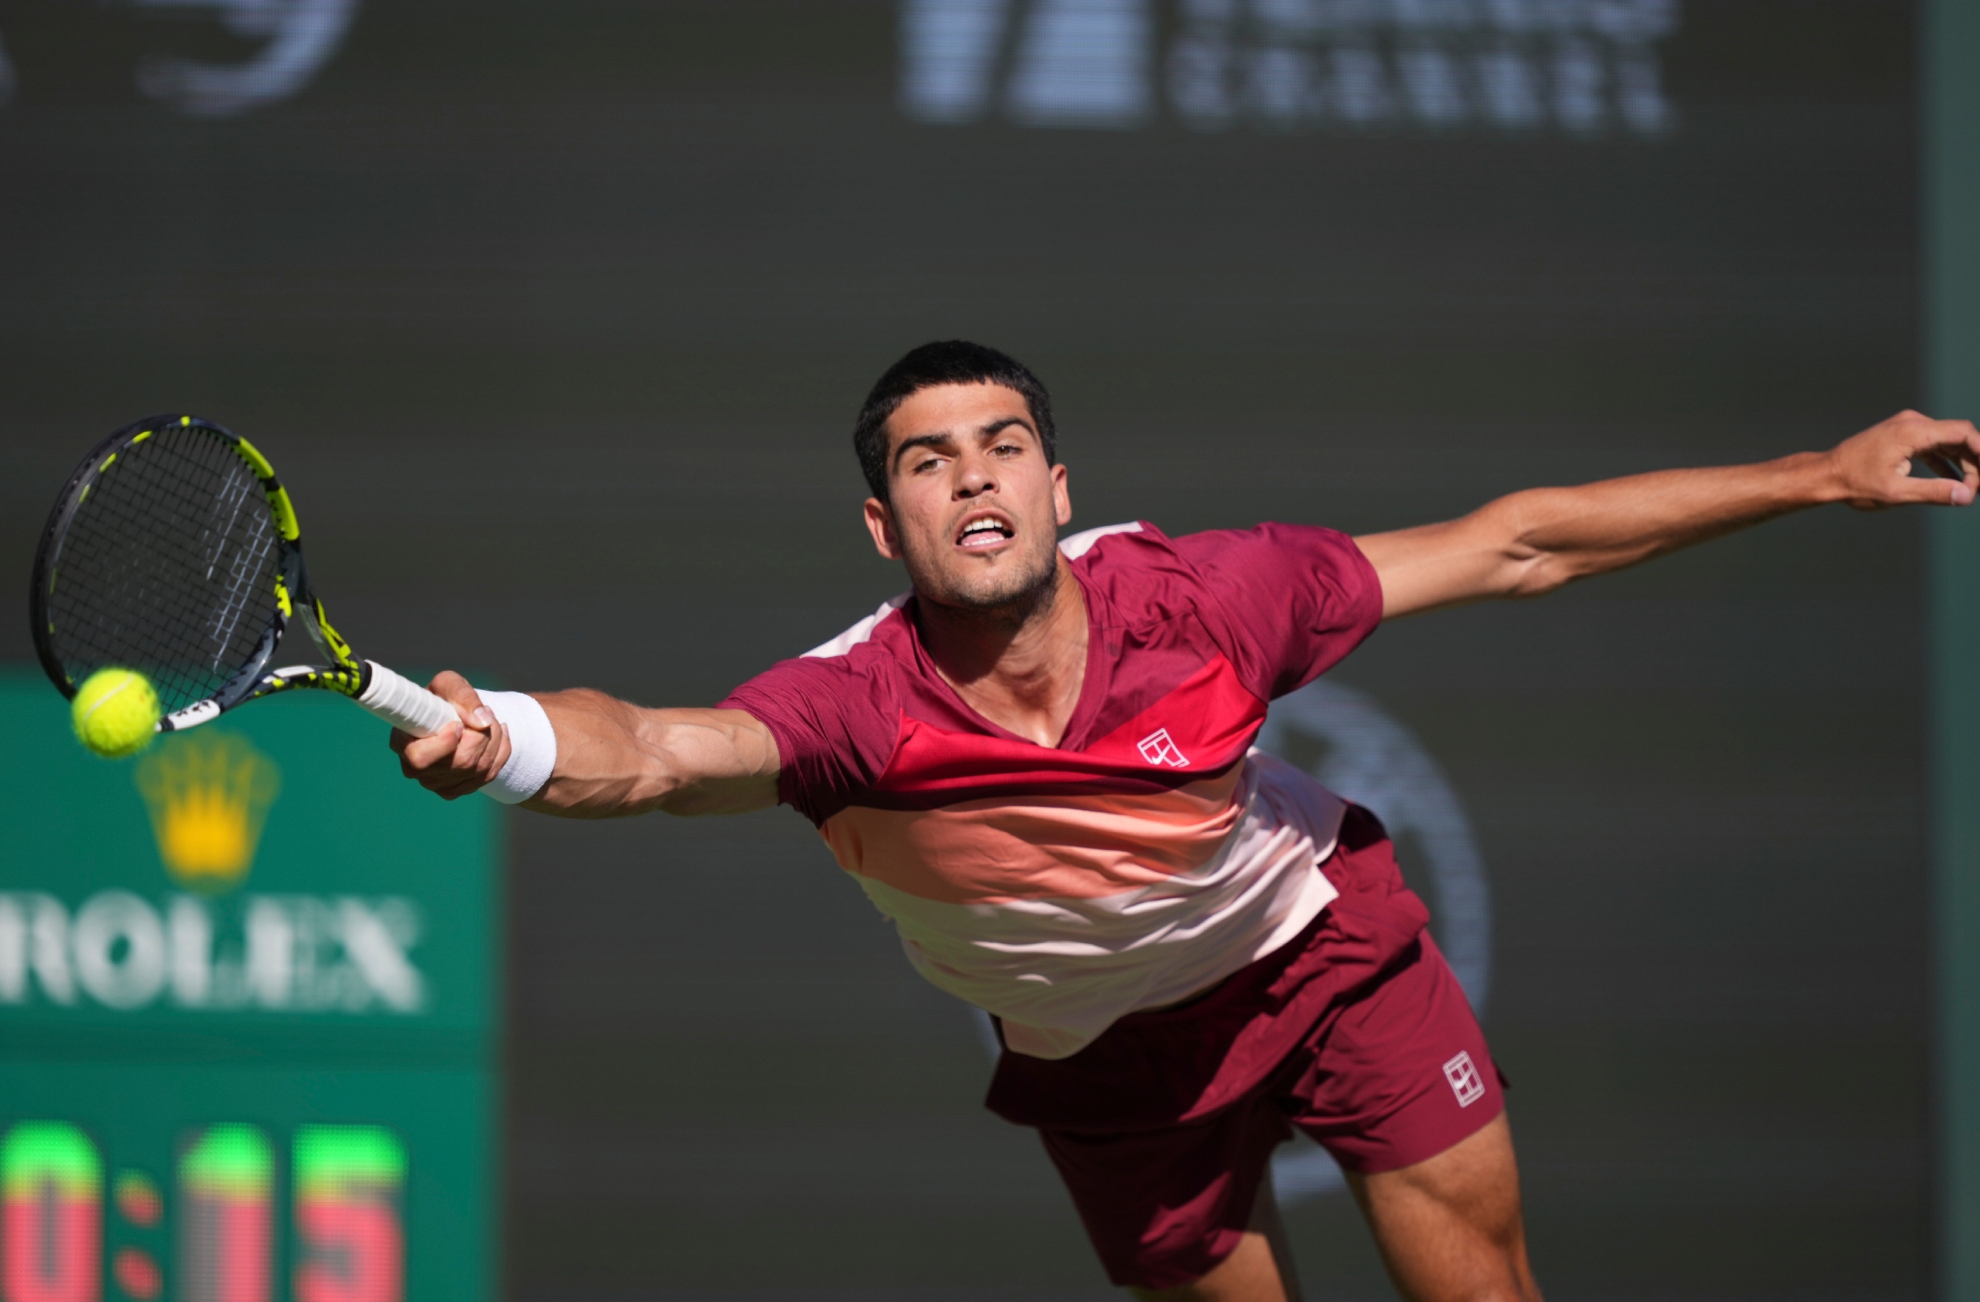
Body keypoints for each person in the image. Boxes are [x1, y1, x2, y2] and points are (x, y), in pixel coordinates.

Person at [394, 341, 1978, 1302]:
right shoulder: (855, 707)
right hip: (1107, 1062)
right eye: (929, 462)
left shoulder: (1212, 600)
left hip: (1319, 958)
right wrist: (514, 739)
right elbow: (664, 748)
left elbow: (1514, 546)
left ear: (1060, 485)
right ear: (888, 526)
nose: (975, 475)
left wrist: (1827, 475)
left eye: (1003, 443)